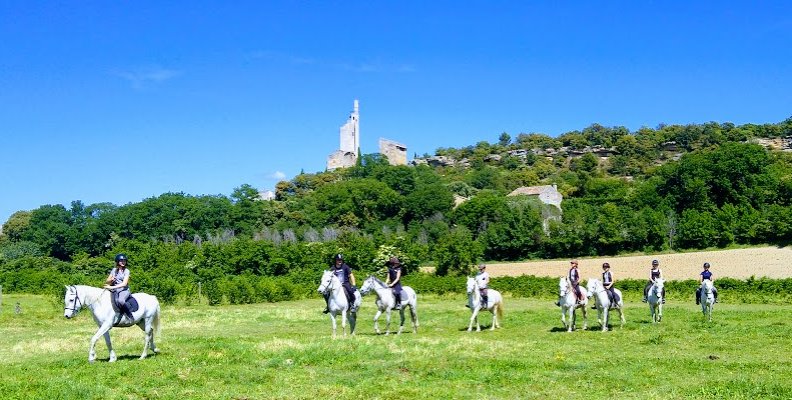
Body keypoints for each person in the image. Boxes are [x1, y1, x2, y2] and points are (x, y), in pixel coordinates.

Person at [104, 253, 133, 321]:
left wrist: (111, 287)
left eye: (124, 261)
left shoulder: (126, 271)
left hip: (123, 290)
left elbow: (124, 284)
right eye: (121, 261)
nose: (123, 262)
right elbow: (107, 281)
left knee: (121, 300)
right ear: (117, 262)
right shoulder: (114, 270)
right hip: (114, 289)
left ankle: (129, 316)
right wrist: (111, 280)